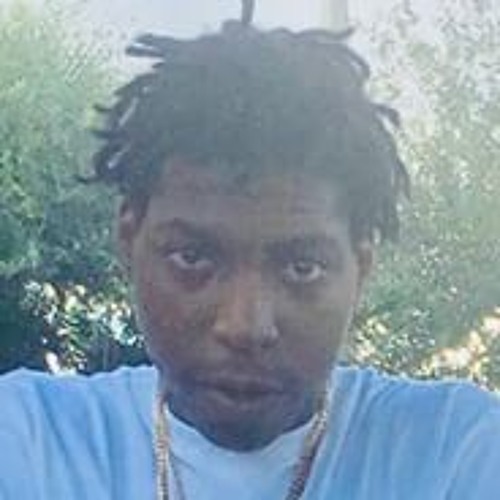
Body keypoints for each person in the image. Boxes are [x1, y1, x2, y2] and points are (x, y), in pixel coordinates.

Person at [1, 3, 500, 499]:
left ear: (361, 266)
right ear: (130, 241)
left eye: (302, 268)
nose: (245, 326)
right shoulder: (29, 440)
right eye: (192, 258)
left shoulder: (459, 452)